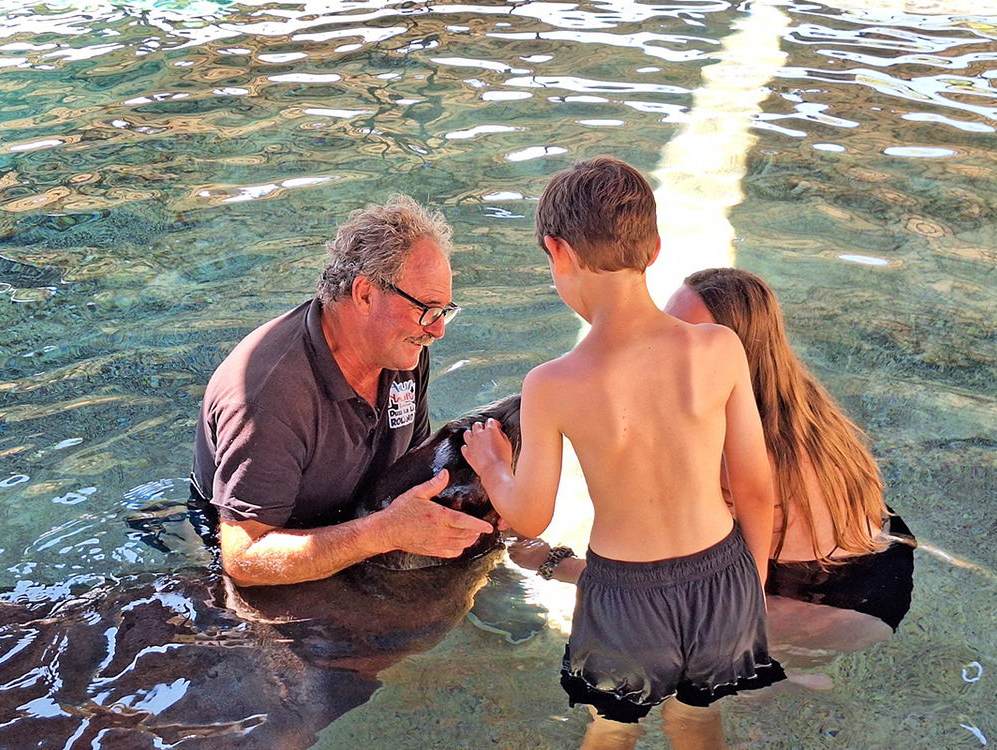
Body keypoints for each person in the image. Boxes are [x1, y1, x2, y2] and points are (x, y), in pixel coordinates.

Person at [461, 157, 786, 750]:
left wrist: (492, 466)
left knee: (612, 730)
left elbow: (530, 518)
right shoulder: (718, 347)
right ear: (655, 248)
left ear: (557, 251)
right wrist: (753, 578)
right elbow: (756, 486)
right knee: (696, 720)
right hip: (725, 576)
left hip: (624, 597)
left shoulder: (553, 384)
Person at [515, 267, 916, 663]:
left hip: (824, 604)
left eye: (684, 330)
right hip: (887, 558)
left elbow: (655, 580)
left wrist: (552, 563)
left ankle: (783, 671)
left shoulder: (722, 448)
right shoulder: (802, 406)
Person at [190, 195, 494, 587]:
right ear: (365, 294)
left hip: (354, 519)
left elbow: (412, 473)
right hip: (262, 543)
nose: (437, 330)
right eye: (427, 309)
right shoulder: (269, 395)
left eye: (444, 311)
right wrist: (382, 532)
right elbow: (245, 562)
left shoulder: (403, 354)